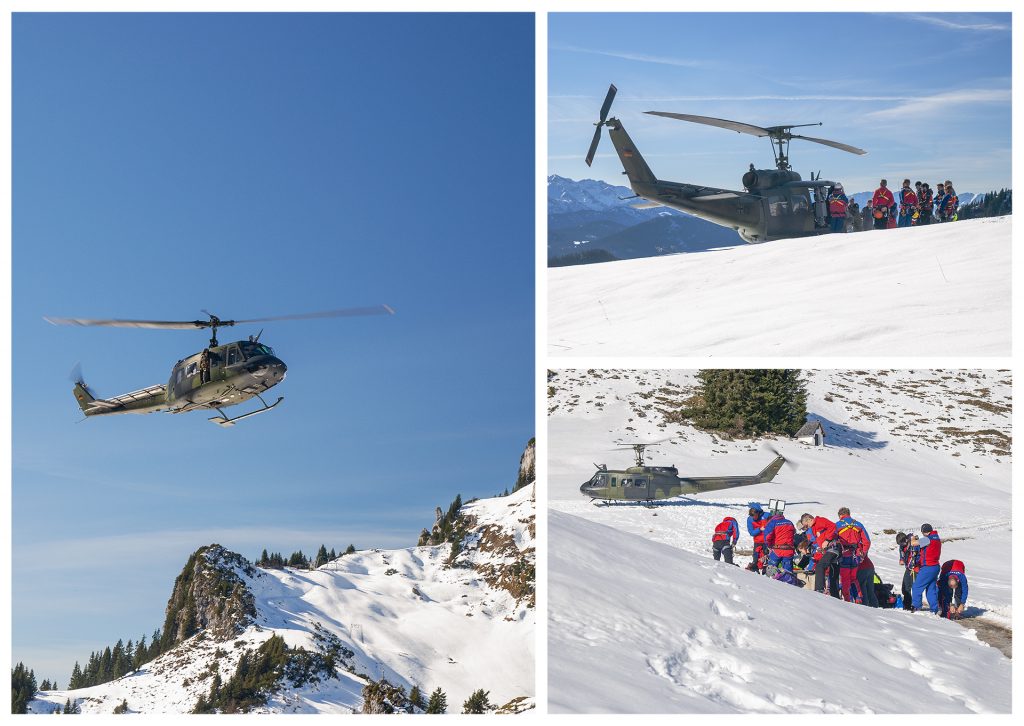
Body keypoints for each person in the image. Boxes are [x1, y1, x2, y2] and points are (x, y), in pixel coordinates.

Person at [799, 513, 839, 597]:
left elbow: (833, 526)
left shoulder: (820, 521)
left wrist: (827, 540)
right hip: (827, 550)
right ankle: (835, 596)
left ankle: (819, 590)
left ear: (810, 519)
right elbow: (819, 540)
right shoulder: (813, 528)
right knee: (832, 574)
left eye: (807, 525)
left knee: (820, 566)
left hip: (833, 547)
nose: (808, 527)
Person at [834, 508, 870, 602]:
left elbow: (833, 539)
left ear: (840, 515)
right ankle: (858, 598)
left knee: (845, 579)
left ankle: (848, 602)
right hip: (856, 556)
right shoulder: (859, 524)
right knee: (853, 578)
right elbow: (867, 541)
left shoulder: (837, 525)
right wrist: (863, 554)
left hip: (844, 555)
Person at [911, 524, 942, 613]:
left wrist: (913, 538)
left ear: (925, 532)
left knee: (917, 586)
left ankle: (916, 607)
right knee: (930, 588)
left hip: (928, 567)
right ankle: (934, 609)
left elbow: (914, 543)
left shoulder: (928, 539)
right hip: (935, 566)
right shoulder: (936, 538)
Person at [896, 532, 919, 611]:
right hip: (908, 568)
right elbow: (901, 554)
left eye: (902, 543)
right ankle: (907, 604)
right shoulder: (902, 547)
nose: (901, 545)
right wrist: (901, 560)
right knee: (905, 587)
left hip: (915, 568)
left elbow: (915, 556)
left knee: (915, 587)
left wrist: (911, 565)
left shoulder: (913, 543)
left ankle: (915, 605)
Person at [746, 502, 769, 572]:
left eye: (754, 516)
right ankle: (755, 572)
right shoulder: (749, 519)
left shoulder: (767, 515)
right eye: (752, 516)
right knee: (755, 558)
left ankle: (766, 571)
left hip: (767, 541)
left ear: (758, 513)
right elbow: (751, 532)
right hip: (757, 541)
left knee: (767, 557)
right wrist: (759, 529)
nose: (753, 518)